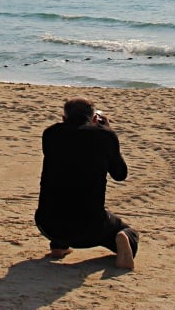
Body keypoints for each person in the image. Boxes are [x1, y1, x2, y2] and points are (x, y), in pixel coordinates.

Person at [35, 97, 138, 270]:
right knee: (130, 234)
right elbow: (120, 174)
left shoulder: (50, 134)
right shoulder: (105, 135)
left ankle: (59, 246)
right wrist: (107, 130)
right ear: (93, 118)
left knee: (62, 189)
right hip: (90, 228)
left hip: (47, 223)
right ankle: (124, 240)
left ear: (64, 117)